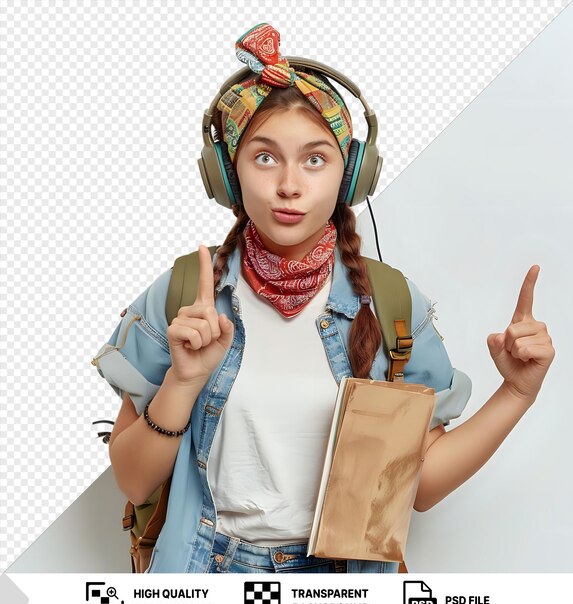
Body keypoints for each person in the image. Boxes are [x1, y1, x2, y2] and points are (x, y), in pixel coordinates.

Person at [91, 23, 555, 574]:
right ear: (228, 173)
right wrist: (183, 381)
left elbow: (421, 486)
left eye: (315, 159)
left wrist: (517, 393)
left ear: (350, 174)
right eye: (265, 157)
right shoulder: (184, 295)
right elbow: (134, 479)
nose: (289, 184)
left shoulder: (390, 305)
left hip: (339, 582)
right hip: (203, 572)